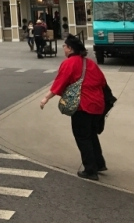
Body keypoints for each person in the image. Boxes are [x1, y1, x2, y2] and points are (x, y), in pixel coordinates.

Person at [40, 36, 108, 181]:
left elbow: (59, 83)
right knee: (91, 134)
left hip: (82, 104)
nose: (63, 48)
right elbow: (102, 81)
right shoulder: (90, 63)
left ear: (70, 48)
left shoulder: (69, 63)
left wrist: (46, 98)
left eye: (64, 46)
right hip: (97, 103)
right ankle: (99, 163)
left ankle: (90, 170)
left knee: (82, 137)